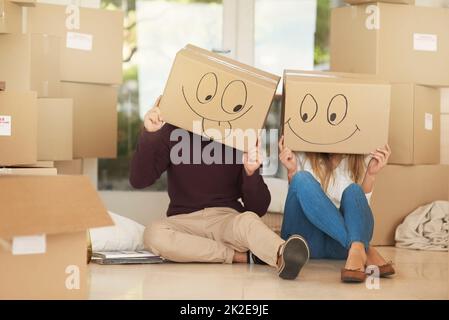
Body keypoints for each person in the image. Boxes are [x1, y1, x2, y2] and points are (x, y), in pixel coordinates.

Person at [129, 96, 309, 280]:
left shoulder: (241, 135)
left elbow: (258, 208)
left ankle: (283, 253)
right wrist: (150, 135)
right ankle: (238, 257)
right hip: (184, 221)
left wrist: (250, 173)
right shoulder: (171, 130)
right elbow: (139, 180)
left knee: (248, 220)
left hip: (226, 219)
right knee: (153, 233)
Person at [278, 136, 395, 283]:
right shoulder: (301, 150)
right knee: (301, 178)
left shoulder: (361, 155)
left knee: (354, 190)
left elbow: (359, 211)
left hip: (340, 248)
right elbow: (297, 201)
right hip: (305, 243)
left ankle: (356, 248)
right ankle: (361, 247)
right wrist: (292, 171)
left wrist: (370, 175)